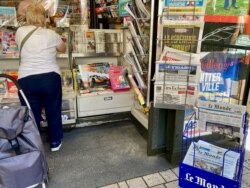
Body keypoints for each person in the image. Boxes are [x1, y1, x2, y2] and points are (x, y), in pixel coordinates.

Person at [15, 2, 66, 152]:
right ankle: (55, 142)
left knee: (31, 114)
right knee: (53, 110)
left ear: (28, 16)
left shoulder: (19, 32)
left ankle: (33, 146)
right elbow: (62, 49)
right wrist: (62, 41)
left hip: (26, 80)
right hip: (50, 78)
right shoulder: (51, 34)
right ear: (43, 16)